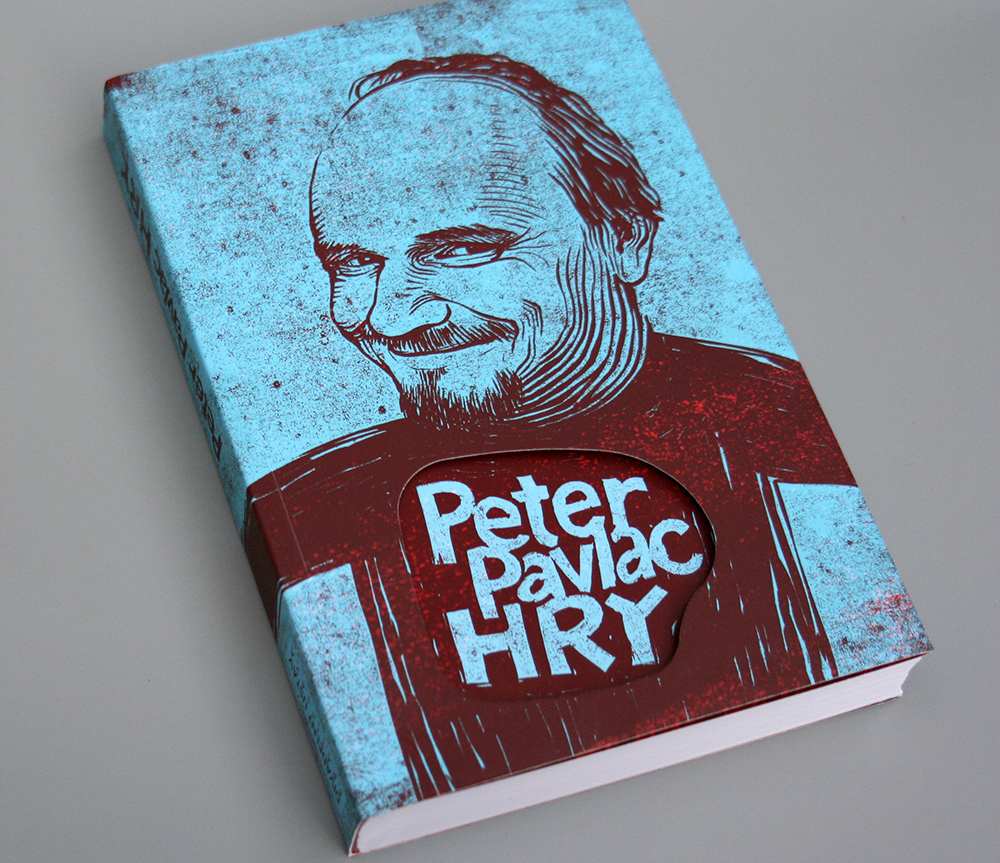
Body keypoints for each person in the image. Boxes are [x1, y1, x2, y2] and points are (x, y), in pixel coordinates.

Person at [246, 54, 855, 797]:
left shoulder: (808, 453)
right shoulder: (308, 528)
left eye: (460, 250)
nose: (392, 316)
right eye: (353, 264)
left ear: (624, 239)